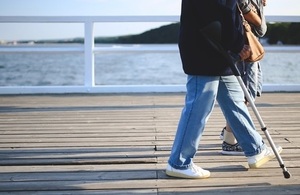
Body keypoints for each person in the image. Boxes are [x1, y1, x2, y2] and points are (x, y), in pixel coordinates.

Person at [165, 0, 282, 179]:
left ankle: (255, 149)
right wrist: (236, 44)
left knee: (234, 100)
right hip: (208, 49)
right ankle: (179, 162)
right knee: (198, 106)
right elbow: (220, 11)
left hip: (214, 48)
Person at [220, 0, 267, 155]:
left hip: (248, 44)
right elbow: (259, 27)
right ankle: (230, 140)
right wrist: (258, 19)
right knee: (245, 95)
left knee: (247, 93)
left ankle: (230, 134)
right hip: (244, 44)